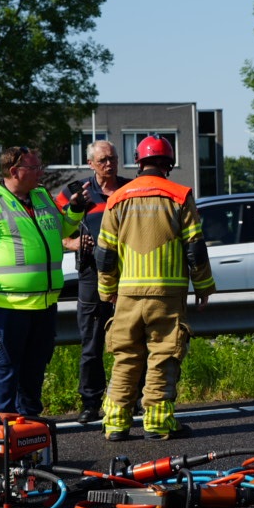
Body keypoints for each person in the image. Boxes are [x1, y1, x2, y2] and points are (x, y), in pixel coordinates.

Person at [96, 135, 215, 442]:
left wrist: (107, 290)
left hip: (127, 295)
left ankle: (115, 424)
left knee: (126, 357)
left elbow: (105, 253)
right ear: (169, 164)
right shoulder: (180, 196)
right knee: (163, 355)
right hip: (167, 294)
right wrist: (203, 285)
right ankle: (158, 423)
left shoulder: (117, 198)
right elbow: (195, 247)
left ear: (139, 163)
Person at [0, 146, 88, 416]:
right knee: (3, 369)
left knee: (34, 370)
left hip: (43, 303)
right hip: (6, 304)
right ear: (15, 171)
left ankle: (28, 430)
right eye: (34, 167)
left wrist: (75, 209)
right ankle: (2, 427)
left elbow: (62, 229)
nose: (41, 172)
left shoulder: (42, 196)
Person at [55, 139, 130, 424]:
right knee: (92, 342)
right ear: (90, 164)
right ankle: (90, 403)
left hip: (128, 274)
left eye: (113, 159)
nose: (109, 164)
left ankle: (132, 398)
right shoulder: (77, 192)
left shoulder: (130, 189)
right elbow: (54, 227)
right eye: (103, 160)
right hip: (91, 273)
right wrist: (72, 243)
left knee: (132, 339)